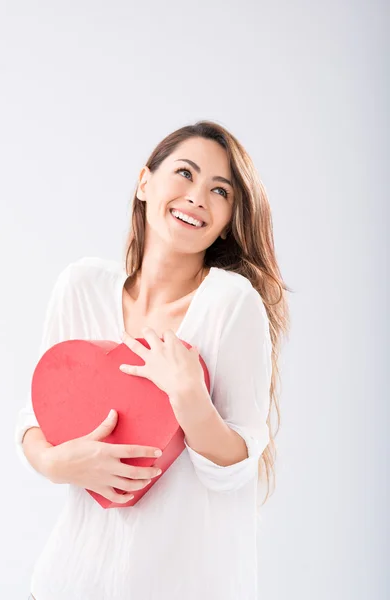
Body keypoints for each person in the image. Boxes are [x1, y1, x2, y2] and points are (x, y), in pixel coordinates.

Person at [15, 120, 290, 600]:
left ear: (228, 220)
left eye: (219, 190)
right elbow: (37, 418)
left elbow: (238, 463)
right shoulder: (81, 287)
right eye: (184, 173)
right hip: (69, 581)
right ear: (146, 182)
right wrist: (59, 464)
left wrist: (188, 395)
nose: (197, 196)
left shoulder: (229, 303)